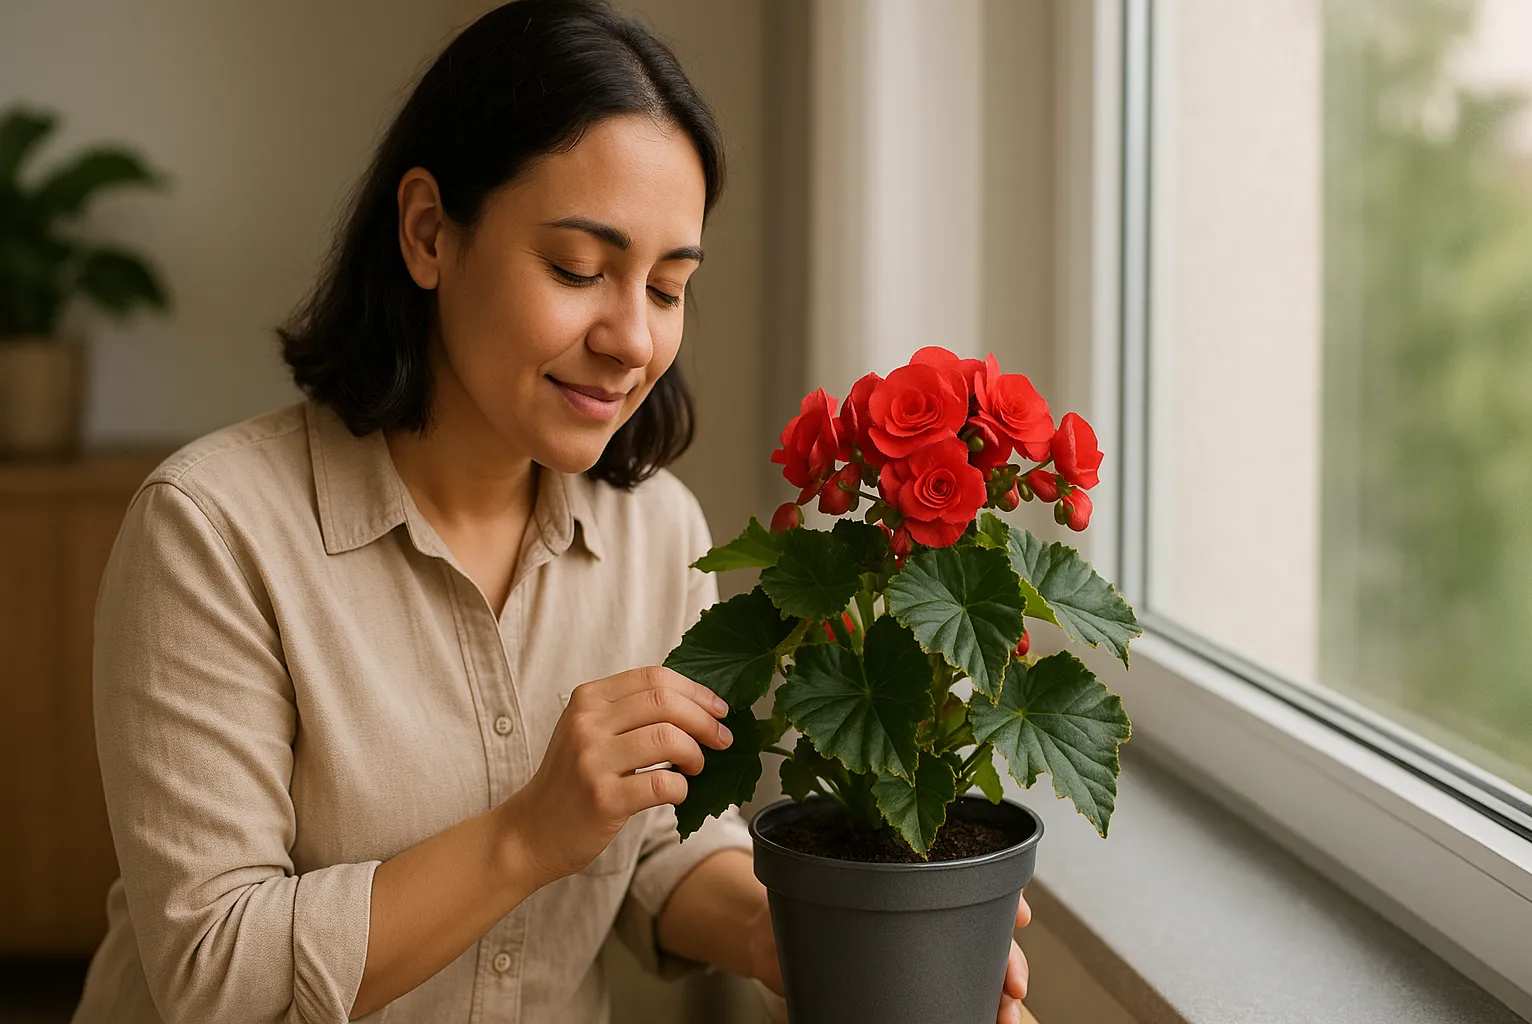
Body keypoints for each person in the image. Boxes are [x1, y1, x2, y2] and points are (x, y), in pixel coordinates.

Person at [69, 1, 1030, 1021]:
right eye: (579, 269)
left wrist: (799, 933)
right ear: (430, 232)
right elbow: (215, 974)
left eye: (667, 287)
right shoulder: (210, 531)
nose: (630, 338)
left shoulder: (656, 532)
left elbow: (656, 846)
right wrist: (526, 835)